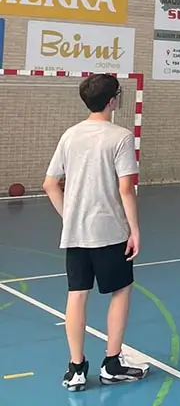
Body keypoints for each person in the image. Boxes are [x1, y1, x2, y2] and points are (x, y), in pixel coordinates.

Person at [42, 74, 150, 392]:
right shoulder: (120, 136)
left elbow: (50, 183)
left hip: (76, 233)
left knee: (77, 294)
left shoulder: (70, 135)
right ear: (112, 100)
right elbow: (126, 189)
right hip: (110, 230)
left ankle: (76, 369)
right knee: (121, 290)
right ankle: (112, 363)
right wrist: (135, 230)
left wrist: (70, 216)